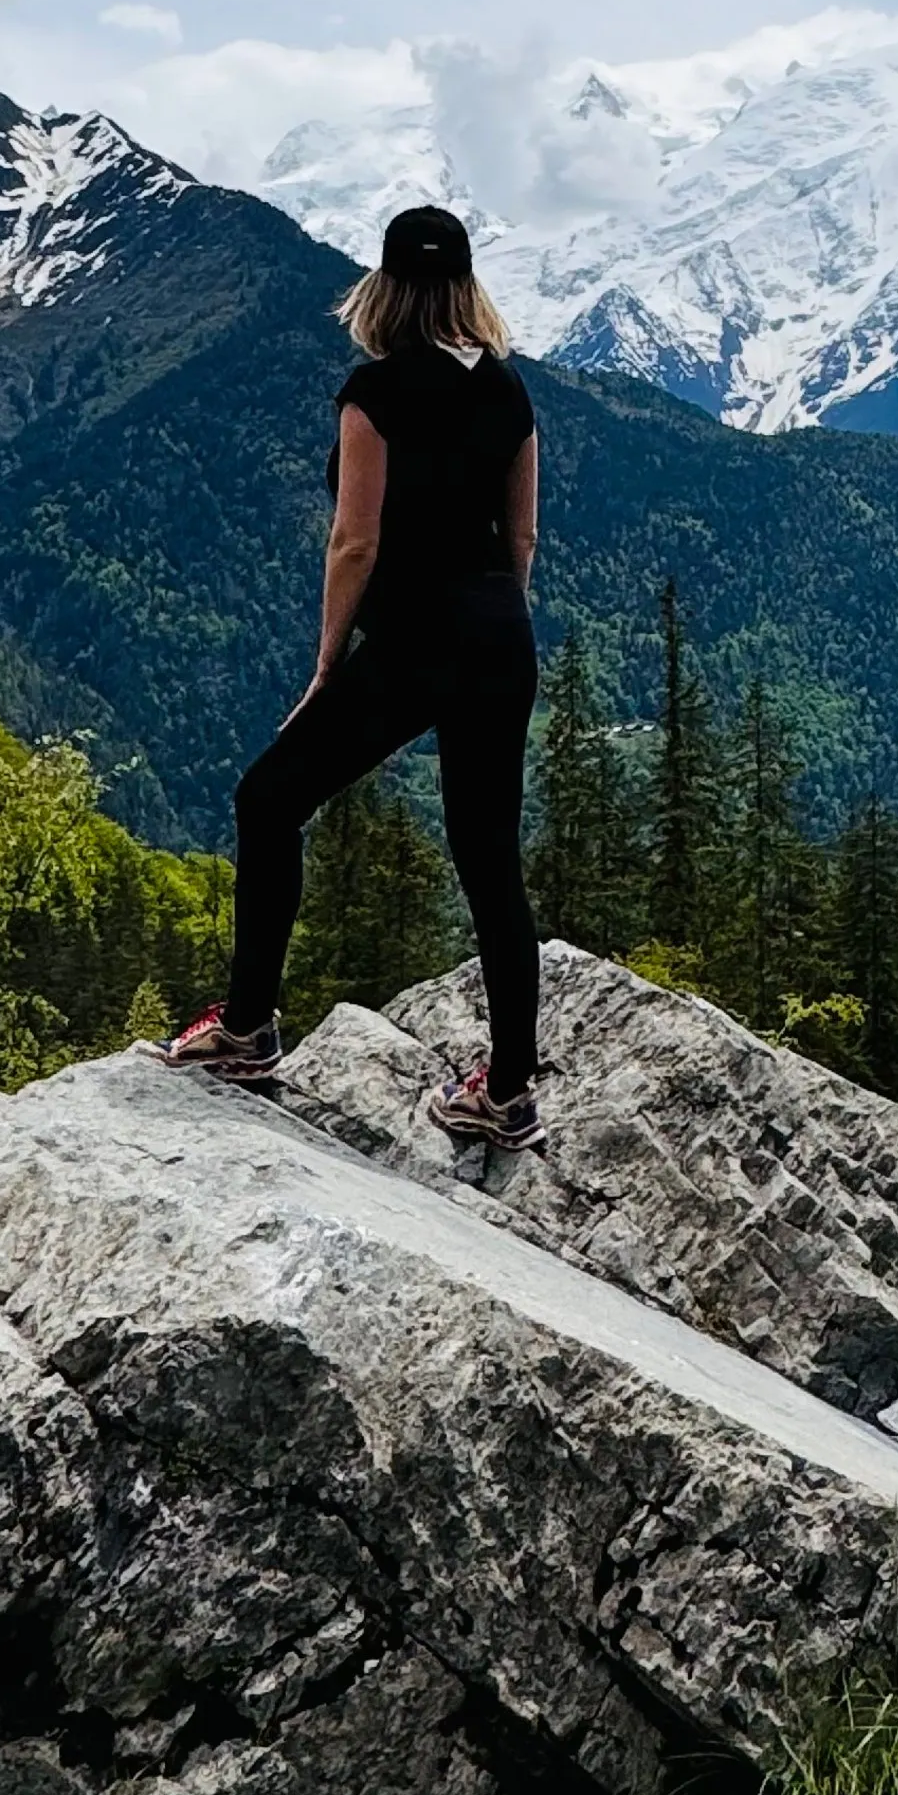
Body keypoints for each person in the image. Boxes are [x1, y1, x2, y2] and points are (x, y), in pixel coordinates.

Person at [161, 204, 546, 1148]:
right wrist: (497, 619)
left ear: (384, 287)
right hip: (501, 634)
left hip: (416, 639)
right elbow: (524, 533)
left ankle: (247, 1028)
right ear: (464, 284)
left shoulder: (373, 391)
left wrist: (331, 658)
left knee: (270, 798)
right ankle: (507, 1092)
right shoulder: (509, 392)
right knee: (491, 864)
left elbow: (355, 539)